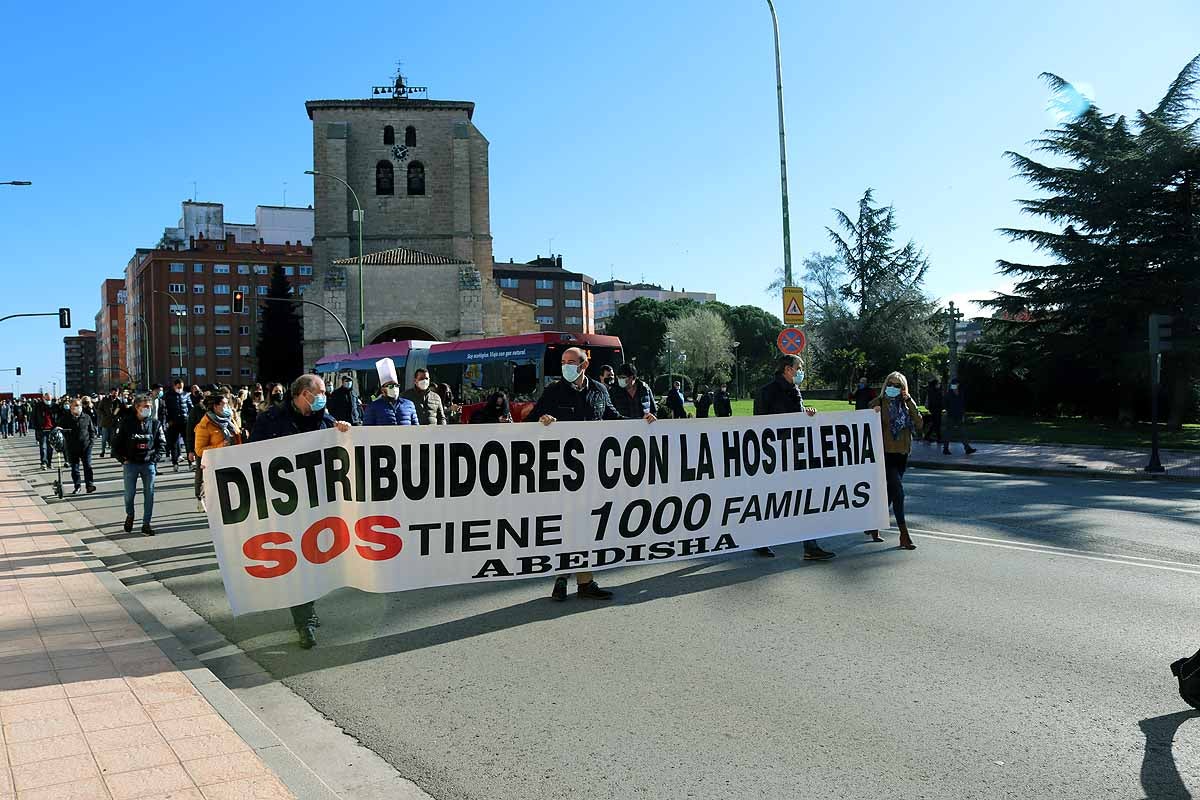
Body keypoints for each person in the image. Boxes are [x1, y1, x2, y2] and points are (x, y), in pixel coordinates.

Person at [528, 346, 657, 601]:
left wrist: (641, 424)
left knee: (586, 523)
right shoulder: (553, 391)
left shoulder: (599, 390)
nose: (565, 365)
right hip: (562, 472)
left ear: (583, 365)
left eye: (570, 361)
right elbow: (530, 421)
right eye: (563, 361)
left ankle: (585, 582)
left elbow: (612, 418)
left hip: (593, 471)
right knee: (565, 524)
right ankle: (562, 578)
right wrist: (542, 421)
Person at [252, 375, 352, 649]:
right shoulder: (270, 420)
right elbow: (251, 457)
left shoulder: (325, 419)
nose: (324, 396)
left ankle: (307, 608)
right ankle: (304, 620)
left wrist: (343, 431)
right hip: (286, 504)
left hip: (319, 501)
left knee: (313, 556)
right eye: (319, 392)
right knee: (297, 557)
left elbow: (341, 448)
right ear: (303, 394)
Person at [754, 355, 836, 561]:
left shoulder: (794, 390)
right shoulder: (767, 392)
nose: (801, 371)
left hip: (797, 454)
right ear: (788, 369)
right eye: (799, 367)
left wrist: (806, 413)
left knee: (805, 498)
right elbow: (758, 427)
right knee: (772, 501)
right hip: (776, 457)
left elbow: (797, 417)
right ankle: (759, 541)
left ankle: (810, 545)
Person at [866, 372, 923, 550]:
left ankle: (874, 525)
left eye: (897, 385)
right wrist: (872, 413)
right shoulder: (878, 403)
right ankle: (904, 535)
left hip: (902, 454)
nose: (893, 387)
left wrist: (910, 402)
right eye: (890, 384)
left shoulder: (906, 404)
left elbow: (919, 424)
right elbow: (863, 423)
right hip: (885, 454)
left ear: (903, 388)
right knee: (898, 493)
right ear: (885, 385)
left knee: (889, 494)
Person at [111, 394, 166, 536]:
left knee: (150, 494)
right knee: (129, 494)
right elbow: (115, 445)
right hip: (131, 464)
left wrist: (155, 458)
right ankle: (130, 514)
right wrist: (122, 460)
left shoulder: (155, 424)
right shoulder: (126, 423)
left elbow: (162, 444)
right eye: (145, 406)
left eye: (150, 406)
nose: (148, 409)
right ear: (137, 407)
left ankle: (146, 524)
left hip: (148, 464)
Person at [193, 392, 242, 512]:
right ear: (215, 406)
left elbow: (236, 434)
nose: (227, 407)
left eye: (228, 404)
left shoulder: (229, 420)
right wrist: (220, 446)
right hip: (216, 465)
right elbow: (199, 450)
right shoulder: (204, 425)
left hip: (233, 460)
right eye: (224, 404)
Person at [364, 359, 419, 427]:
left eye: (396, 385)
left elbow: (416, 428)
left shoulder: (409, 405)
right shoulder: (372, 407)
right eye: (391, 386)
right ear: (383, 389)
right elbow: (367, 430)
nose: (394, 388)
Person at [62, 398, 97, 495]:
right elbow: (61, 430)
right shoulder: (66, 418)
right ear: (71, 407)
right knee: (75, 469)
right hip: (72, 447)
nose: (77, 407)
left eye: (79, 405)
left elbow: (92, 431)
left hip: (86, 446)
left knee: (88, 466)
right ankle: (77, 486)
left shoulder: (86, 417)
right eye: (75, 406)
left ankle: (89, 485)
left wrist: (91, 442)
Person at [943, 379, 977, 456]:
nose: (955, 386)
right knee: (948, 432)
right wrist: (949, 411)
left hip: (959, 415)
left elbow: (962, 405)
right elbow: (945, 404)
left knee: (962, 432)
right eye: (954, 384)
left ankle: (967, 448)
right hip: (951, 416)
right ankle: (945, 448)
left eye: (956, 384)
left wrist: (962, 414)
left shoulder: (960, 393)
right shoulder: (949, 394)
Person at [32, 393, 58, 469]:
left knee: (50, 447)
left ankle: (49, 462)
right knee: (43, 447)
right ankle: (43, 462)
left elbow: (58, 416)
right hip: (42, 429)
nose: (48, 401)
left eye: (50, 399)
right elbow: (34, 417)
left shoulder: (54, 406)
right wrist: (36, 428)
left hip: (51, 429)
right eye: (47, 399)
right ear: (43, 398)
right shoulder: (38, 406)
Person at [97, 388, 122, 457]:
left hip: (114, 423)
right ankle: (103, 451)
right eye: (114, 392)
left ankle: (112, 452)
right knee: (104, 438)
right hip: (105, 422)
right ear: (111, 392)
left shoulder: (119, 401)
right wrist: (104, 415)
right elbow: (99, 409)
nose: (115, 394)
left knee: (112, 439)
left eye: (117, 393)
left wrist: (118, 417)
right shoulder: (105, 399)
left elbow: (121, 411)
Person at [924, 377, 944, 443]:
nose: (939, 384)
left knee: (935, 423)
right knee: (937, 423)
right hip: (936, 408)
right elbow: (938, 400)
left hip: (933, 408)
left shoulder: (931, 390)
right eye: (938, 383)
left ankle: (928, 436)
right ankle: (938, 438)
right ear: (935, 384)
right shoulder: (935, 391)